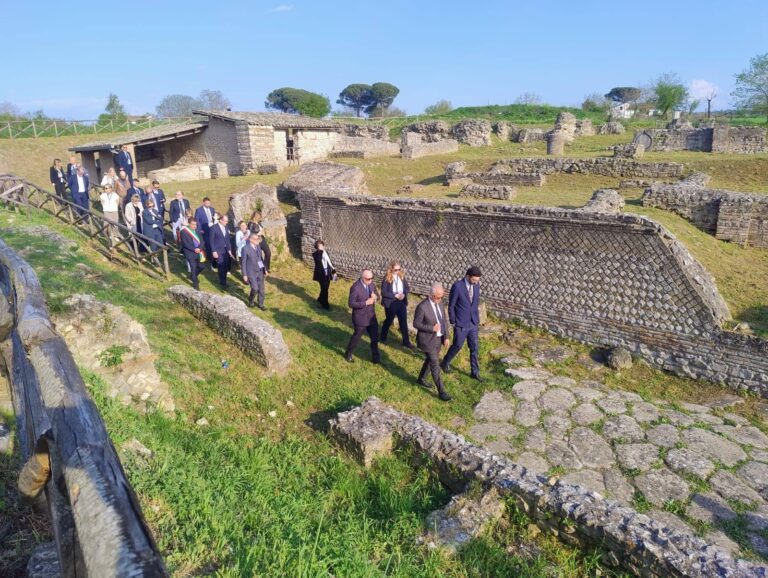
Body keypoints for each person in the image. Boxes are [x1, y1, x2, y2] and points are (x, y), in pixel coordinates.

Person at [441, 266, 483, 381]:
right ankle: (445, 362)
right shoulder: (457, 286)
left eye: (478, 280)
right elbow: (451, 305)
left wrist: (477, 318)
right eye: (474, 280)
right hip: (460, 322)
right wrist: (453, 321)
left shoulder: (477, 285)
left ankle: (474, 372)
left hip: (473, 322)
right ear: (468, 276)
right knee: (457, 345)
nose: (476, 282)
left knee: (474, 347)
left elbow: (475, 302)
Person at [414, 283, 452, 401]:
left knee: (430, 361)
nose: (440, 299)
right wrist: (432, 328)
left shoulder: (440, 303)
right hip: (427, 340)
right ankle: (442, 391)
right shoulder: (422, 307)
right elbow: (416, 324)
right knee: (435, 364)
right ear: (431, 295)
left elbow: (443, 320)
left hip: (438, 339)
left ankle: (421, 379)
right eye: (438, 297)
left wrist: (446, 336)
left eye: (441, 297)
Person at [344, 269, 380, 364]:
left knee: (374, 337)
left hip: (371, 317)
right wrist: (365, 303)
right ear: (363, 278)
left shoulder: (371, 284)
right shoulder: (355, 288)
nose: (371, 280)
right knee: (357, 337)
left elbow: (378, 296)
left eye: (372, 278)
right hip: (360, 318)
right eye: (368, 279)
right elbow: (351, 303)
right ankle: (348, 353)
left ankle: (376, 358)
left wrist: (375, 297)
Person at [380, 260, 414, 349]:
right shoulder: (387, 278)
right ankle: (383, 337)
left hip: (401, 302)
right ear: (391, 269)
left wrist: (404, 294)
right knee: (389, 320)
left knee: (403, 321)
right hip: (391, 302)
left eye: (399, 269)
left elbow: (407, 288)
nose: (398, 271)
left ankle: (406, 342)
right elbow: (383, 292)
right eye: (396, 270)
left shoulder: (402, 277)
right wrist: (395, 295)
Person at [241, 231, 269, 309]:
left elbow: (260, 260)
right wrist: (244, 274)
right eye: (256, 239)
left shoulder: (258, 247)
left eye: (258, 239)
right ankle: (251, 300)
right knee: (255, 288)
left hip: (259, 271)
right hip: (251, 272)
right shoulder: (245, 249)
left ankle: (261, 304)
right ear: (251, 240)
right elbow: (243, 262)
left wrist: (264, 270)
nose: (258, 240)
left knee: (261, 289)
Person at [179, 218, 205, 289]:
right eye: (193, 224)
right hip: (190, 252)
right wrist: (194, 249)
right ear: (189, 224)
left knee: (201, 266)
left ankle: (192, 276)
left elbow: (202, 241)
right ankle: (196, 285)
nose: (195, 226)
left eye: (196, 224)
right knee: (193, 268)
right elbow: (185, 244)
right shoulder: (184, 232)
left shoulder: (197, 230)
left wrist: (199, 248)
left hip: (199, 251)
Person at [209, 213, 233, 288]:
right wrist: (214, 251)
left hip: (225, 250)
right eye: (226, 221)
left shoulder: (225, 227)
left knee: (225, 266)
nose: (227, 223)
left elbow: (227, 239)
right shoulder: (214, 228)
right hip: (218, 250)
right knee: (221, 266)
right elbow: (211, 240)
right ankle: (222, 283)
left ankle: (224, 280)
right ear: (221, 220)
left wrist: (229, 250)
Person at [312, 240, 334, 310]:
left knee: (325, 288)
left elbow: (329, 262)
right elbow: (319, 259)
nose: (322, 247)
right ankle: (325, 305)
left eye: (322, 245)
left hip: (327, 273)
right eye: (320, 246)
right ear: (317, 247)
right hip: (321, 275)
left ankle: (320, 299)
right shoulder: (316, 254)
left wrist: (333, 271)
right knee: (325, 289)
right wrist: (321, 251)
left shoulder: (326, 253)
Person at [194, 197, 216, 264]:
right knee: (207, 243)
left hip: (212, 229)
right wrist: (200, 229)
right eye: (207, 203)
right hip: (204, 229)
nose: (208, 204)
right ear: (203, 203)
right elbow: (197, 220)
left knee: (212, 242)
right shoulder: (199, 210)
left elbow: (214, 218)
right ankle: (208, 257)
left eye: (209, 203)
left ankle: (212, 256)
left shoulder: (212, 209)